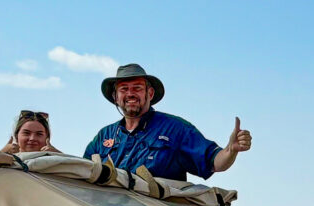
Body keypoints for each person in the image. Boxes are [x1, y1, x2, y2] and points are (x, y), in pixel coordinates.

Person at [82, 63, 252, 182]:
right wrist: (54, 153)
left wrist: (231, 150)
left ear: (150, 93)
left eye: (137, 88)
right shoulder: (104, 136)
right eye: (124, 89)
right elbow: (83, 172)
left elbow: (213, 162)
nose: (130, 94)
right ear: (115, 97)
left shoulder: (176, 129)